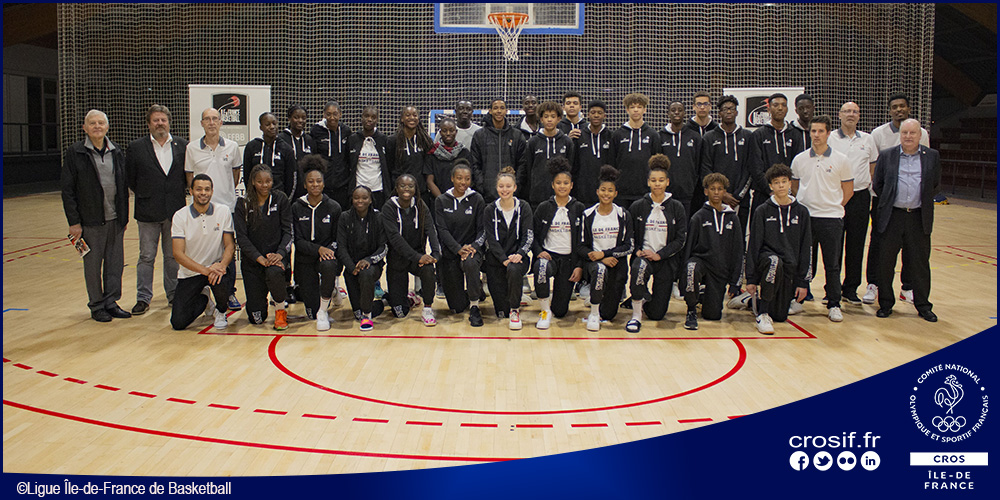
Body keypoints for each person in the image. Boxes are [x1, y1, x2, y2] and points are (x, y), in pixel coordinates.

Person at [61, 110, 132, 322]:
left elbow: (123, 186)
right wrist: (74, 222)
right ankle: (97, 305)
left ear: (107, 127)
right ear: (84, 128)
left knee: (115, 265)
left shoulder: (116, 151)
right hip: (90, 222)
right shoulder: (75, 153)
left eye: (101, 123)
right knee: (92, 267)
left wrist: (124, 217)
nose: (97, 126)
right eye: (92, 123)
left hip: (115, 220)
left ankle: (111, 302)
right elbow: (68, 190)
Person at [871, 119, 940, 322]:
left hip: (918, 217)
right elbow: (878, 184)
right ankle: (885, 304)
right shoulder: (887, 155)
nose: (908, 136)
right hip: (892, 216)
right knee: (885, 263)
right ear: (900, 135)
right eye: (905, 133)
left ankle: (923, 305)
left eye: (912, 133)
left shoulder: (932, 156)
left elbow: (935, 184)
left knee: (919, 264)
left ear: (920, 135)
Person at [867, 93, 931, 306]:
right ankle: (874, 285)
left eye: (902, 106)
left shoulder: (923, 135)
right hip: (885, 202)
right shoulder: (878, 134)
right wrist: (887, 195)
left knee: (914, 250)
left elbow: (931, 176)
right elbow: (876, 172)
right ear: (890, 111)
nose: (899, 110)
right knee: (880, 245)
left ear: (909, 109)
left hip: (915, 206)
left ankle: (908, 287)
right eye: (894, 107)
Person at [790, 115, 854, 322]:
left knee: (832, 264)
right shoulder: (799, 159)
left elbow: (848, 190)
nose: (816, 135)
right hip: (806, 218)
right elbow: (795, 186)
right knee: (804, 262)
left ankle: (834, 303)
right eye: (813, 131)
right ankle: (798, 300)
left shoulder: (841, 160)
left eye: (820, 131)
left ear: (828, 133)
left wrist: (833, 206)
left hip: (831, 219)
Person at [126, 104, 188, 315]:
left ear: (169, 122)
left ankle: (173, 294)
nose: (160, 124)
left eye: (163, 120)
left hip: (175, 211)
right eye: (156, 120)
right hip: (147, 212)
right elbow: (131, 179)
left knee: (172, 256)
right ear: (149, 124)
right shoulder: (136, 148)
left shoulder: (182, 146)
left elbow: (185, 177)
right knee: (146, 257)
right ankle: (143, 298)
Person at [184, 107, 242, 312]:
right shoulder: (191, 148)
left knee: (228, 250)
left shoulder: (232, 147)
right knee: (201, 249)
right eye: (207, 119)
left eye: (215, 119)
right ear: (201, 123)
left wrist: (223, 196)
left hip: (226, 208)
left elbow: (235, 175)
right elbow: (190, 177)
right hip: (201, 209)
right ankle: (203, 291)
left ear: (220, 122)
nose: (211, 123)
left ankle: (230, 293)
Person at [745, 164, 812, 334]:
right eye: (776, 182)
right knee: (774, 261)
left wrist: (802, 282)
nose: (781, 185)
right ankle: (762, 314)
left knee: (780, 316)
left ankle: (751, 302)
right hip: (767, 261)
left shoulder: (802, 212)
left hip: (789, 267)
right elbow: (754, 245)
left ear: (790, 183)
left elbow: (806, 248)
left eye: (784, 181)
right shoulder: (762, 210)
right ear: (770, 186)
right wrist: (751, 279)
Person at [626, 155, 688, 332]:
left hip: (665, 260)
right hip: (644, 258)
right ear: (648, 182)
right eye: (653, 180)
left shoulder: (677, 207)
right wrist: (637, 251)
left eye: (661, 180)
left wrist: (660, 255)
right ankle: (636, 315)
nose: (657, 184)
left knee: (657, 314)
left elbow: (680, 239)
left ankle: (645, 301)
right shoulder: (638, 206)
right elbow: (629, 234)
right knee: (638, 269)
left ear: (667, 182)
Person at [827, 101, 879, 305]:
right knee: (834, 245)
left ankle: (850, 289)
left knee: (856, 244)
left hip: (860, 197)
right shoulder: (830, 137)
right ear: (839, 115)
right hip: (836, 196)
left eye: (855, 111)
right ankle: (832, 288)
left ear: (859, 116)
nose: (851, 114)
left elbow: (872, 167)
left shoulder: (868, 139)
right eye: (847, 111)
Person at [169, 174, 236, 331]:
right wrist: (205, 270)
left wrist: (222, 266)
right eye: (199, 189)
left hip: (216, 269)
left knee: (221, 279)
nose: (203, 193)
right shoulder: (180, 216)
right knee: (178, 323)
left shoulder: (223, 211)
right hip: (191, 272)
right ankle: (205, 299)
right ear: (191, 191)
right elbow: (178, 254)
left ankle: (221, 311)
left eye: (207, 189)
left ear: (212, 191)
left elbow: (229, 246)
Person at [682, 173, 744, 330]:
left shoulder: (733, 218)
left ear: (725, 192)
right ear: (706, 191)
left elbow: (738, 251)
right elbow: (689, 247)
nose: (716, 192)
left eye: (720, 189)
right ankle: (691, 309)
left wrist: (735, 282)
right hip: (701, 262)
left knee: (713, 315)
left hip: (720, 269)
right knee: (692, 268)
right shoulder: (698, 217)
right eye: (712, 189)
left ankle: (704, 294)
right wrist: (682, 277)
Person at [234, 165, 292, 330]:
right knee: (256, 319)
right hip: (253, 262)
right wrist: (259, 258)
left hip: (276, 260)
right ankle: (257, 301)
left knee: (274, 272)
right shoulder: (243, 203)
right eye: (260, 181)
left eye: (268, 181)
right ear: (253, 182)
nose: (264, 185)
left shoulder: (280, 199)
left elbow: (288, 232)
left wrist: (279, 254)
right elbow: (242, 238)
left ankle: (280, 310)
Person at [531, 157, 585, 329]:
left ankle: (555, 307)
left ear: (571, 185)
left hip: (569, 261)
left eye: (566, 183)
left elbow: (584, 241)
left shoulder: (579, 208)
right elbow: (533, 235)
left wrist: (579, 265)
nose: (562, 186)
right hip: (549, 257)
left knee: (561, 311)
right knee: (541, 267)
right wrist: (539, 252)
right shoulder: (544, 207)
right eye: (558, 183)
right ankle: (544, 311)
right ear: (553, 185)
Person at [291, 155, 343, 331]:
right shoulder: (296, 207)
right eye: (311, 181)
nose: (315, 184)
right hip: (305, 258)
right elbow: (297, 241)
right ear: (305, 185)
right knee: (310, 313)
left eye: (318, 181)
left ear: (323, 183)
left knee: (329, 265)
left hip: (326, 257)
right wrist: (318, 249)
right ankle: (330, 293)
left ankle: (323, 310)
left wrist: (327, 250)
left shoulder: (334, 207)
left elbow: (337, 239)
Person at [578, 165, 633, 331]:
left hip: (616, 263)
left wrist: (606, 254)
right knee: (600, 270)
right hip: (595, 263)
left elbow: (629, 246)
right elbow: (580, 246)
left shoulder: (623, 214)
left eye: (610, 190)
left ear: (615, 193)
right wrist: (599, 257)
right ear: (597, 192)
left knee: (609, 314)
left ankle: (600, 298)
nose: (606, 194)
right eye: (603, 190)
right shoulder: (588, 215)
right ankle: (594, 313)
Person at [382, 174, 440, 325]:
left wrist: (435, 254)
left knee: (428, 269)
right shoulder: (388, 208)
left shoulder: (420, 205)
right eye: (402, 186)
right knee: (400, 313)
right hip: (397, 259)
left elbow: (430, 229)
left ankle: (427, 308)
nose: (406, 189)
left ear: (415, 189)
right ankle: (403, 298)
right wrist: (417, 256)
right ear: (397, 188)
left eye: (410, 186)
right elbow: (395, 238)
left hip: (417, 257)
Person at [434, 160, 486, 326]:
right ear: (452, 178)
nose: (463, 182)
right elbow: (441, 230)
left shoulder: (477, 199)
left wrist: (474, 247)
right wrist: (457, 249)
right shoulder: (441, 200)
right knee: (456, 307)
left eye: (467, 178)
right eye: (459, 178)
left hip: (472, 251)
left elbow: (483, 230)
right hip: (451, 253)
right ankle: (475, 290)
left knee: (470, 263)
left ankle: (474, 306)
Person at [701, 95, 758, 242]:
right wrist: (721, 194)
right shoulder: (709, 137)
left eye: (732, 109)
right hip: (716, 198)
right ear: (719, 113)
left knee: (738, 238)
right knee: (715, 237)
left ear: (737, 112)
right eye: (725, 109)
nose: (728, 112)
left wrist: (738, 196)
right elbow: (706, 168)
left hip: (741, 200)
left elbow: (750, 168)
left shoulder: (747, 136)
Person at [483, 167, 533, 329]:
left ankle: (515, 309)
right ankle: (513, 298)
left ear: (515, 187)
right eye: (501, 186)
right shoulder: (490, 210)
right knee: (501, 311)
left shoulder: (524, 207)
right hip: (496, 260)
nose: (505, 190)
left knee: (513, 269)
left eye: (508, 186)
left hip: (518, 259)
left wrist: (520, 254)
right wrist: (503, 259)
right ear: (496, 188)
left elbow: (528, 236)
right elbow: (490, 239)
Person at [337, 185, 388, 331]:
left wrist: (369, 260)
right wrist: (351, 267)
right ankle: (384, 302)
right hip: (352, 268)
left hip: (372, 265)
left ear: (371, 200)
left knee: (366, 273)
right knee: (356, 313)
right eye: (356, 198)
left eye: (364, 198)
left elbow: (383, 247)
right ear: (352, 200)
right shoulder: (345, 217)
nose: (360, 201)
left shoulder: (379, 217)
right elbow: (341, 247)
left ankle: (367, 316)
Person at [470, 98, 527, 202]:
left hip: (511, 194)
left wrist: (516, 186)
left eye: (502, 108)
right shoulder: (479, 135)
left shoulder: (517, 135)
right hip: (487, 197)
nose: (499, 111)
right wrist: (482, 187)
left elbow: (522, 164)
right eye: (495, 108)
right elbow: (475, 164)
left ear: (506, 111)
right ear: (490, 111)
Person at [519, 101, 574, 208]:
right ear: (541, 119)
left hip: (561, 198)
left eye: (553, 116)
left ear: (559, 119)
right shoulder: (533, 142)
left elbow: (571, 168)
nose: (549, 119)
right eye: (546, 116)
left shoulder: (567, 142)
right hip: (537, 197)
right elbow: (529, 169)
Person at [751, 93, 802, 207]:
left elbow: (798, 165)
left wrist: (787, 189)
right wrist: (770, 190)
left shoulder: (795, 134)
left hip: (788, 194)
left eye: (783, 105)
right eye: (776, 105)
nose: (780, 108)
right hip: (764, 194)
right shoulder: (758, 135)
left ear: (787, 109)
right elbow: (755, 167)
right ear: (769, 109)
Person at [612, 92, 662, 209]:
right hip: (622, 191)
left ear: (644, 110)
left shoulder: (653, 135)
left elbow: (657, 164)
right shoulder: (618, 134)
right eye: (632, 107)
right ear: (627, 110)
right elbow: (612, 162)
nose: (636, 110)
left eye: (639, 107)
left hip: (645, 191)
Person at [659, 101, 706, 220]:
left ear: (684, 113)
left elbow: (699, 163)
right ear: (668, 113)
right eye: (673, 110)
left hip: (688, 193)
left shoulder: (694, 136)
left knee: (684, 225)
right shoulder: (660, 136)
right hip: (665, 192)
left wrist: (692, 184)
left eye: (680, 110)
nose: (676, 112)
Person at [243, 112, 298, 197]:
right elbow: (247, 175)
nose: (272, 127)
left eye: (274, 123)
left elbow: (291, 178)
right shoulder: (251, 146)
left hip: (279, 198)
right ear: (261, 127)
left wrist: (285, 199)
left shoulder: (286, 148)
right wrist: (252, 195)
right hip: (256, 197)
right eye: (267, 124)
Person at [310, 100, 352, 210]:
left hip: (342, 186)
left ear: (340, 114)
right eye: (328, 114)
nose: (332, 118)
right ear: (324, 115)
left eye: (335, 114)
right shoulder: (316, 131)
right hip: (324, 186)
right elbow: (313, 156)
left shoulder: (346, 131)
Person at [348, 106, 392, 209]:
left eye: (373, 117)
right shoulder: (353, 139)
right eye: (366, 116)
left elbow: (389, 164)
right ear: (361, 118)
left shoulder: (384, 140)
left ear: (377, 120)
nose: (369, 119)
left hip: (378, 190)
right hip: (359, 190)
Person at [573, 99, 615, 207]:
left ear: (605, 115)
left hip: (605, 191)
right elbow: (575, 164)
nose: (596, 115)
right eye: (593, 112)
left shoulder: (612, 136)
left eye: (599, 113)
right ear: (588, 115)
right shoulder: (579, 136)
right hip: (583, 191)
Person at [388, 105, 433, 198]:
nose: (412, 118)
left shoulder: (425, 140)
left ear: (418, 119)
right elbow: (389, 166)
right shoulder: (393, 140)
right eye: (408, 115)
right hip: (400, 192)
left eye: (415, 115)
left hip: (420, 192)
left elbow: (428, 165)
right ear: (402, 119)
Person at [425, 118, 471, 199]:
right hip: (438, 200)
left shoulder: (464, 153)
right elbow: (429, 181)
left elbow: (469, 178)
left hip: (461, 199)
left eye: (451, 130)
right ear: (440, 133)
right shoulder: (432, 153)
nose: (448, 133)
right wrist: (443, 200)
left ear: (456, 132)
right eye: (444, 131)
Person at [278, 105, 316, 196]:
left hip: (305, 190)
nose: (300, 121)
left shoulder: (309, 140)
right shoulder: (281, 139)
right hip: (286, 189)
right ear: (289, 118)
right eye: (296, 117)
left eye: (303, 118)